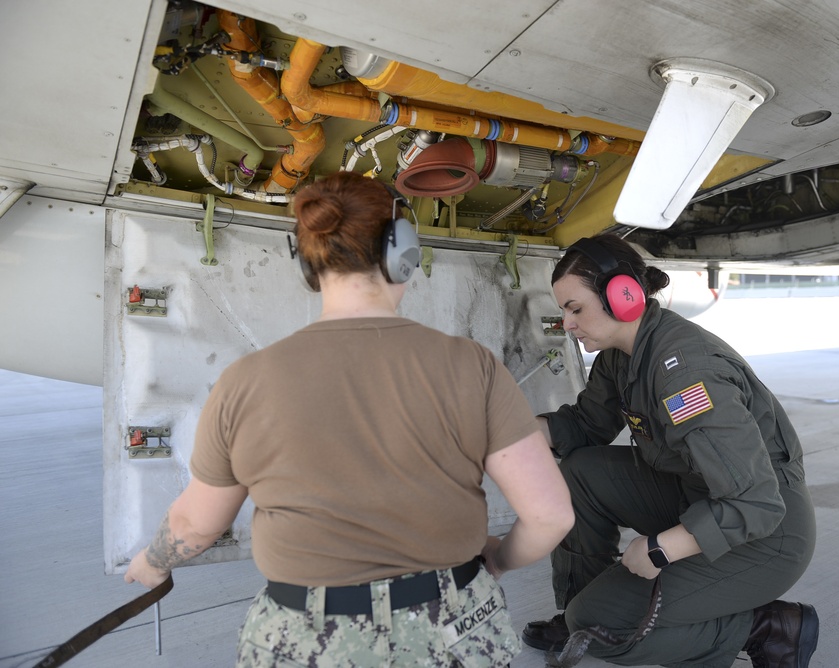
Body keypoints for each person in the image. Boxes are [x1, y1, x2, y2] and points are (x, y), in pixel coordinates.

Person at [125, 171, 575, 667]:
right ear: (401, 251)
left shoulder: (244, 382)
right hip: (454, 630)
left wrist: (153, 563)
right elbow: (550, 516)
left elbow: (194, 525)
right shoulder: (473, 365)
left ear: (307, 264)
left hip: (306, 637)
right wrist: (497, 560)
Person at [521, 234, 818, 668]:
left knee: (604, 627)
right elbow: (585, 427)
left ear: (623, 297)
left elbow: (754, 502)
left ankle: (765, 628)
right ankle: (580, 614)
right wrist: (509, 433)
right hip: (698, 496)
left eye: (575, 309)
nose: (567, 324)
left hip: (764, 534)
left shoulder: (685, 373)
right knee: (581, 471)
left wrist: (662, 548)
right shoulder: (621, 354)